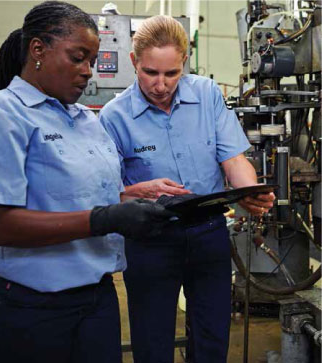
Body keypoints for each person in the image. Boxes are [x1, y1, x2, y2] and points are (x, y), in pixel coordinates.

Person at [0, 4, 176, 363]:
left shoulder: (86, 120)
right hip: (30, 308)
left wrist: (134, 203)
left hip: (97, 298)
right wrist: (105, 219)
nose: (88, 72)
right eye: (78, 58)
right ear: (38, 50)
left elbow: (78, 193)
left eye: (92, 60)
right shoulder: (0, 114)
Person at [99, 15, 276, 363]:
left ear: (185, 63)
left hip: (207, 235)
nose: (161, 85)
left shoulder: (207, 94)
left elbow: (233, 159)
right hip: (150, 241)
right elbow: (108, 193)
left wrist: (249, 192)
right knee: (153, 341)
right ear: (134, 62)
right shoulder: (113, 117)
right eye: (151, 72)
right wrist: (139, 190)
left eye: (172, 74)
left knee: (212, 337)